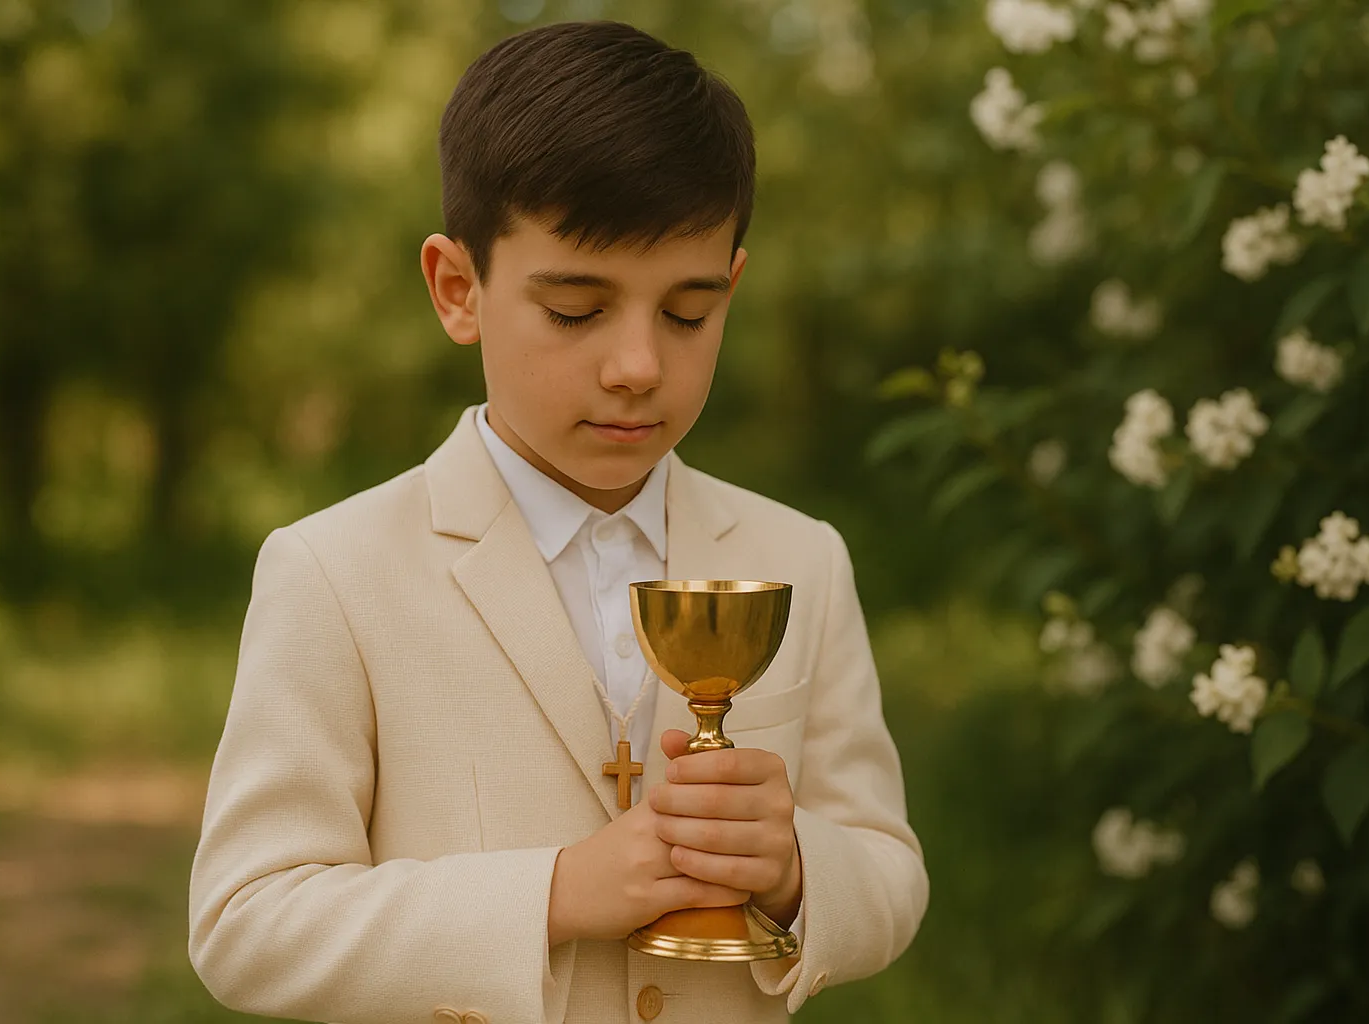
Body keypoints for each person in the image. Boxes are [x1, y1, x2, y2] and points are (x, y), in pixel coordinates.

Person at [187, 19, 926, 1024]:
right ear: (459, 289)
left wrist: (797, 868)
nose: (638, 365)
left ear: (731, 290)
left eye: (687, 313)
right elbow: (247, 920)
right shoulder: (333, 570)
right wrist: (556, 892)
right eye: (578, 310)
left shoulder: (802, 558)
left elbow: (888, 866)